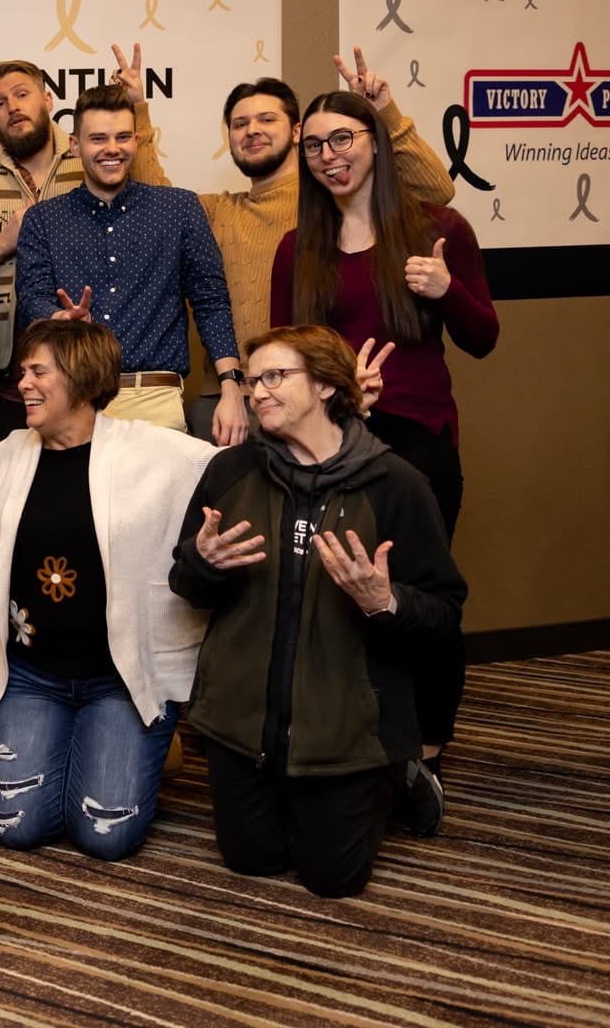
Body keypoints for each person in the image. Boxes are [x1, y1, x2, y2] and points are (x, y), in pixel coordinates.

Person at [170, 325, 466, 897]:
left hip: (344, 731)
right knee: (251, 861)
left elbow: (444, 611)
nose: (257, 393)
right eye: (253, 381)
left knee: (333, 878)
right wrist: (202, 562)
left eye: (275, 377)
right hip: (243, 726)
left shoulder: (396, 486)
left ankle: (397, 773)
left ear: (328, 386)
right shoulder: (230, 473)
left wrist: (386, 601)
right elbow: (186, 581)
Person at [273, 89, 498, 831]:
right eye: (315, 145)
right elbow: (287, 356)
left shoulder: (439, 230)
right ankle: (357, 740)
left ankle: (425, 754)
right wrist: (340, 388)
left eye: (344, 140)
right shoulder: (295, 245)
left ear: (375, 143)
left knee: (418, 602)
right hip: (331, 447)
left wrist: (448, 289)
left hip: (420, 446)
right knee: (338, 601)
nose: (329, 156)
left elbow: (484, 337)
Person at [0, 319, 215, 860]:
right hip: (31, 675)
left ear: (79, 376)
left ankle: (127, 743)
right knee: (15, 824)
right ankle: (88, 748)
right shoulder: (11, 452)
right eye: (23, 371)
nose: (23, 382)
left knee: (105, 835)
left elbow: (232, 471)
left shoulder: (158, 453)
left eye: (38, 371)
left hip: (117, 679)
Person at [120, 45, 455, 437]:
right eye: (240, 124)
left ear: (297, 132)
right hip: (228, 397)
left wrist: (383, 117)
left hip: (311, 398)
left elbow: (436, 190)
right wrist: (137, 108)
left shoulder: (330, 200)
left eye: (266, 119)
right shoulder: (217, 212)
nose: (252, 130)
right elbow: (154, 199)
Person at [15, 84, 247, 443]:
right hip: (73, 399)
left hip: (155, 398)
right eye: (98, 138)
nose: (112, 149)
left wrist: (232, 388)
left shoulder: (179, 210)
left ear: (136, 141)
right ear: (75, 146)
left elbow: (210, 300)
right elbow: (32, 297)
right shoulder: (44, 219)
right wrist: (57, 320)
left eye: (122, 137)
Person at [0, 60, 156, 444]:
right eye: (0, 102)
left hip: (92, 363)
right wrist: (4, 244)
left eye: (22, 95)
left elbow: (153, 204)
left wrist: (139, 106)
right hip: (6, 372)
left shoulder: (94, 157)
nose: (13, 107)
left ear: (47, 99)